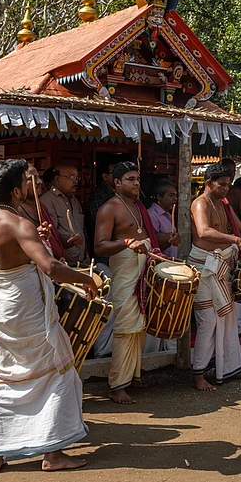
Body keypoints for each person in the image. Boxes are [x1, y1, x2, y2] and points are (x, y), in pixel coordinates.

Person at [0, 159, 96, 472]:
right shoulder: (18, 224)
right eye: (28, 183)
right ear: (15, 190)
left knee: (5, 378)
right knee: (57, 374)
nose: (32, 187)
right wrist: (87, 279)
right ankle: (53, 455)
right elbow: (51, 267)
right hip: (26, 312)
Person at [94, 162, 159, 405]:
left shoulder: (138, 205)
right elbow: (99, 246)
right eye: (130, 179)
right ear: (117, 182)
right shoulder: (109, 209)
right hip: (125, 274)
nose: (136, 183)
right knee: (124, 329)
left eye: (137, 179)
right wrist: (127, 243)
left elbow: (144, 236)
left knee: (139, 327)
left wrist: (163, 239)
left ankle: (132, 375)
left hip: (143, 270)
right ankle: (117, 385)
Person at [188, 164, 241, 391]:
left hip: (220, 267)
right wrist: (234, 240)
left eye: (228, 184)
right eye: (222, 185)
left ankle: (227, 368)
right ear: (209, 184)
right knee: (207, 321)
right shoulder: (200, 203)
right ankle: (198, 374)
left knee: (226, 318)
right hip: (203, 268)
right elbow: (204, 231)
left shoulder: (223, 204)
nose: (227, 189)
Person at [40, 164, 87, 264]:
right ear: (57, 179)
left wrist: (86, 256)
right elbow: (52, 238)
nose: (76, 181)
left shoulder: (74, 201)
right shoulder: (47, 201)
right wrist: (71, 261)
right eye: (71, 178)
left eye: (77, 178)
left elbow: (82, 231)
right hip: (64, 262)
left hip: (82, 261)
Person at [18, 164, 66, 259]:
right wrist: (35, 235)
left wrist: (70, 242)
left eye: (39, 178)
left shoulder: (41, 207)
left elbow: (53, 241)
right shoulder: (16, 211)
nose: (39, 182)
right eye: (32, 178)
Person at [86, 161, 117, 265]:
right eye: (115, 172)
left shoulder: (121, 195)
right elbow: (99, 226)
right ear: (105, 176)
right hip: (105, 257)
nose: (119, 176)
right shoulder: (99, 196)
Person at [148, 180, 181, 258]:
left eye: (176, 196)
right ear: (159, 197)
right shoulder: (152, 214)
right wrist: (170, 238)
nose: (175, 199)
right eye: (171, 195)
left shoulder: (167, 214)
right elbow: (152, 241)